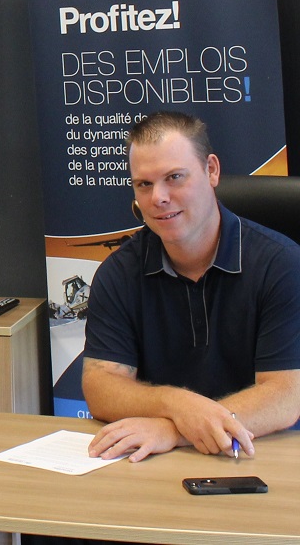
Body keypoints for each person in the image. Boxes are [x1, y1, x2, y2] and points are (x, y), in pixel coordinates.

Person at [82, 111, 300, 464]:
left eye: (174, 177)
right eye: (144, 184)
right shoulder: (118, 272)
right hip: (156, 464)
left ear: (211, 170)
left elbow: (285, 395)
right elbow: (101, 386)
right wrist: (177, 403)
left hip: (260, 454)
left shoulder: (281, 264)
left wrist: (175, 430)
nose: (158, 197)